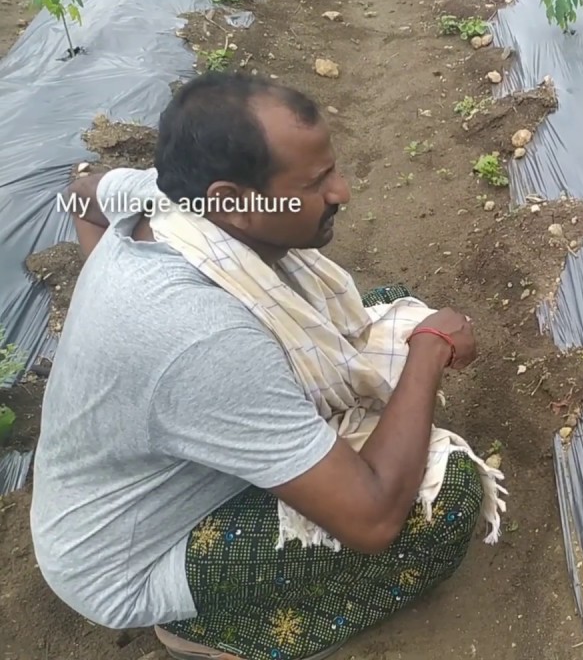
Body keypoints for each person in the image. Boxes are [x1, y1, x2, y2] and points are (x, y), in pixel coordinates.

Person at [31, 71, 498, 660]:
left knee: (382, 309)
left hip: (154, 454)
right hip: (131, 559)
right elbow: (373, 518)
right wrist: (430, 350)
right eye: (316, 182)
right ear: (231, 202)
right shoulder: (203, 338)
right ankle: (208, 628)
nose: (343, 192)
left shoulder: (161, 195)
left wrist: (118, 325)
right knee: (442, 501)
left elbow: (80, 191)